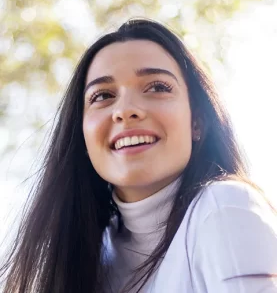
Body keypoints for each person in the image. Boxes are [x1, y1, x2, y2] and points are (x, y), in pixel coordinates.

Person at [1, 18, 277, 293]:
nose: (125, 110)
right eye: (103, 95)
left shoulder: (224, 207)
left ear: (197, 123)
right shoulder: (81, 255)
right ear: (82, 136)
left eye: (157, 87)